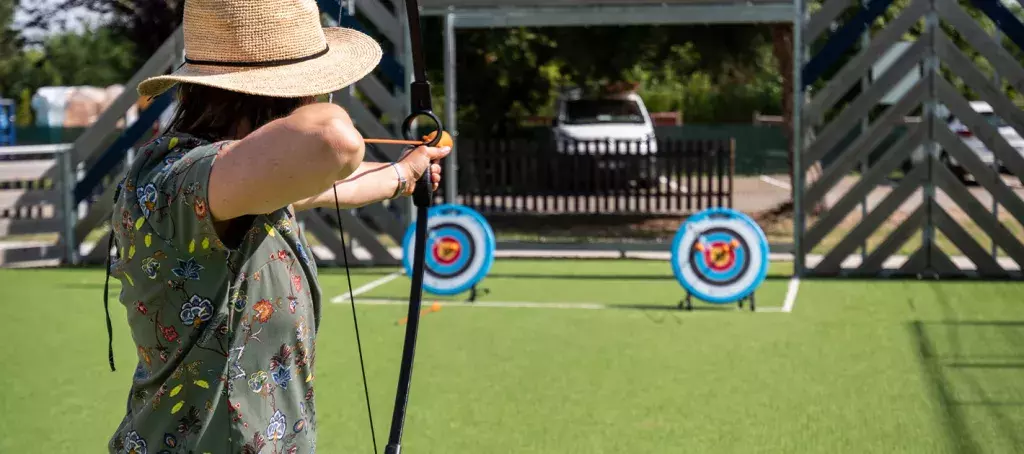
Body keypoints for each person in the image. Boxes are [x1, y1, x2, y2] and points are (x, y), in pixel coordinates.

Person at [104, 0, 450, 452]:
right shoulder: (185, 179)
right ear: (281, 96)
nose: (322, 96)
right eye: (316, 86)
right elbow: (333, 140)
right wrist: (311, 96)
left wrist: (406, 173)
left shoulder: (236, 186)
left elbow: (318, 186)